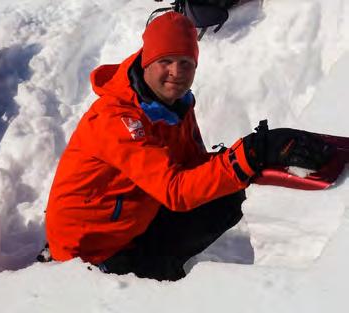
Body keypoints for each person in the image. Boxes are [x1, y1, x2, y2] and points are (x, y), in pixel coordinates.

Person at [44, 11, 333, 281]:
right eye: (165, 61)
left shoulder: (176, 104)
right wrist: (249, 155)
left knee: (231, 191)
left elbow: (190, 164)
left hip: (135, 219)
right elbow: (175, 190)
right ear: (147, 62)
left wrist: (254, 156)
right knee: (170, 294)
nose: (176, 72)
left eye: (186, 62)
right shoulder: (117, 119)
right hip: (92, 250)